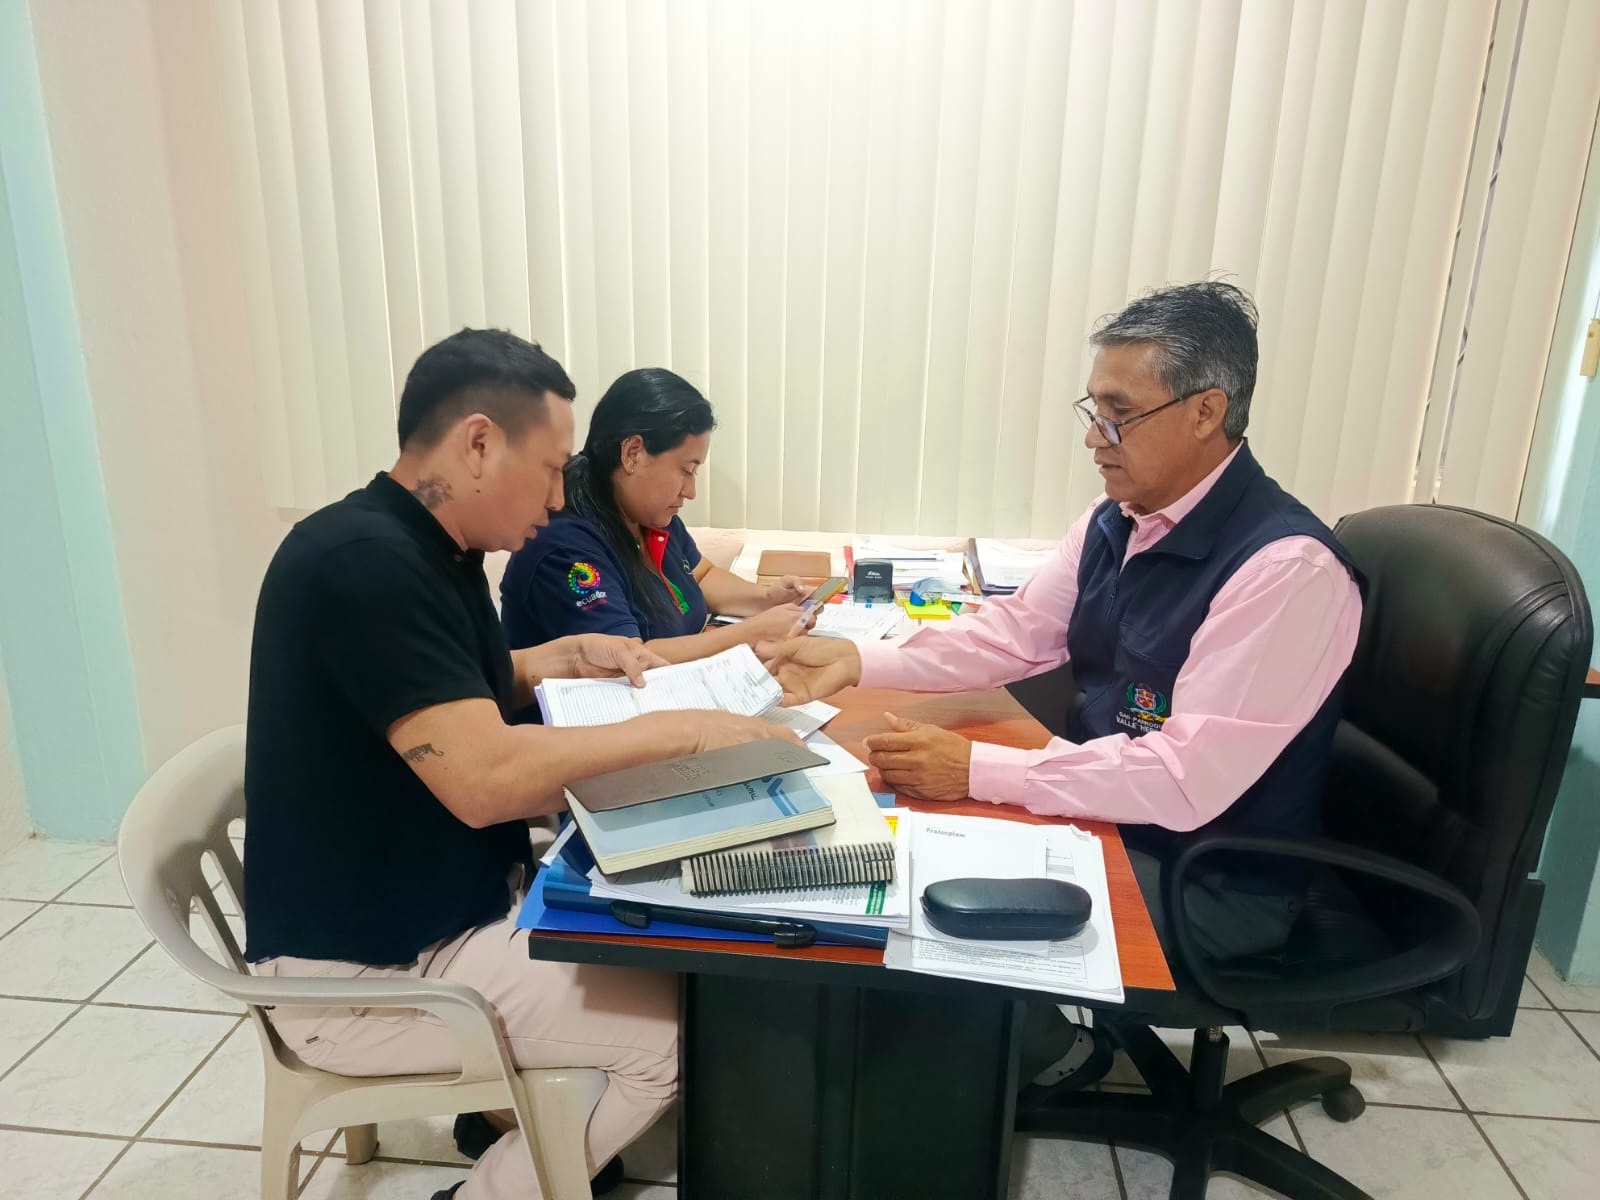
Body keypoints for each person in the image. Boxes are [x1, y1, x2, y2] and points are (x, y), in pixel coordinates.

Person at [242, 329, 799, 1200]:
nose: (560, 494)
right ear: (477, 443)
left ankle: (527, 1133)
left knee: (671, 943)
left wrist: (559, 657)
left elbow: (449, 686)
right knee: (676, 1039)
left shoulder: (429, 544)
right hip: (371, 971)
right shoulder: (365, 568)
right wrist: (684, 733)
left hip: (435, 903)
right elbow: (484, 780)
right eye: (549, 469)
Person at [763, 282, 1363, 1083]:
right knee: (901, 830)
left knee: (928, 896)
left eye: (1119, 413)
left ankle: (1039, 1062)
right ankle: (1005, 1057)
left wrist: (976, 769)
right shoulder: (1119, 518)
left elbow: (1183, 781)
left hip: (1210, 875)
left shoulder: (1285, 571)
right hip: (1113, 817)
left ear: (1205, 412)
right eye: (1093, 409)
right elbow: (1016, 635)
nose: (1094, 438)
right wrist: (859, 660)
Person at [500, 368, 815, 669]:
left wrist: (766, 599)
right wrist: (750, 633)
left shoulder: (650, 515)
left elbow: (701, 575)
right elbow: (626, 662)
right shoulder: (566, 545)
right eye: (686, 470)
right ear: (633, 453)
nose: (690, 491)